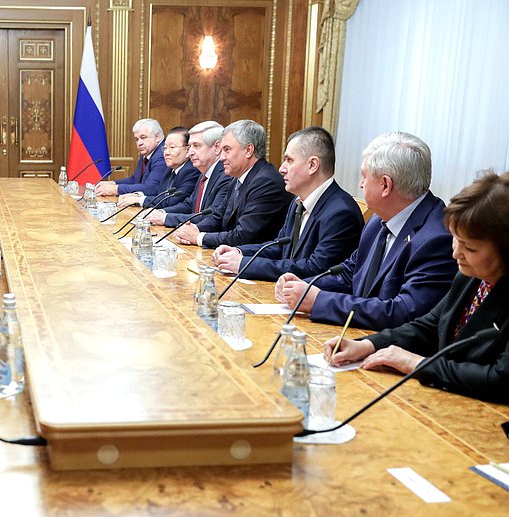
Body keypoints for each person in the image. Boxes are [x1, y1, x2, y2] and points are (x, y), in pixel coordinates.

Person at [326, 171, 509, 403]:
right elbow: (430, 325)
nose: (456, 254)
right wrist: (367, 344)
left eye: (470, 248)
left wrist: (416, 363)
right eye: (455, 239)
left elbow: (500, 380)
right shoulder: (472, 274)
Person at [277, 132, 457, 330]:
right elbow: (348, 273)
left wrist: (319, 301)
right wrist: (303, 286)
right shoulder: (378, 220)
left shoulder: (437, 238)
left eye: (364, 176)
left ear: (385, 185)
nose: (360, 184)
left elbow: (403, 312)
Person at [212, 127, 363, 279]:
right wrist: (238, 252)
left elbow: (315, 268)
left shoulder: (341, 213)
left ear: (312, 165)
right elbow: (279, 247)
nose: (282, 168)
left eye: (289, 160)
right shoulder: (297, 202)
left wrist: (244, 264)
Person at [174, 119, 291, 247]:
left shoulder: (265, 182)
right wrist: (194, 229)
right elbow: (218, 217)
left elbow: (243, 235)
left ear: (248, 150)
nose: (222, 157)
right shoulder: (237, 178)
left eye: (227, 149)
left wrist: (198, 237)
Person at [144, 120, 230, 227]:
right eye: (189, 147)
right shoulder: (204, 173)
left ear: (217, 148)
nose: (190, 153)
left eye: (196, 146)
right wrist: (161, 212)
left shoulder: (226, 175)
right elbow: (189, 205)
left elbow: (211, 217)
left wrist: (165, 218)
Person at [116, 126, 199, 209]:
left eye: (172, 147)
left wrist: (140, 200)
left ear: (188, 150)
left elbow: (172, 201)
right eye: (165, 148)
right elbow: (157, 191)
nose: (166, 153)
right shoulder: (170, 169)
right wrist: (136, 195)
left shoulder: (191, 171)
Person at [96, 118, 167, 197]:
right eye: (136, 139)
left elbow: (151, 188)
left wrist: (116, 189)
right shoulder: (147, 151)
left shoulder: (162, 155)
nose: (139, 143)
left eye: (143, 137)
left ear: (157, 137)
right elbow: (135, 180)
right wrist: (113, 183)